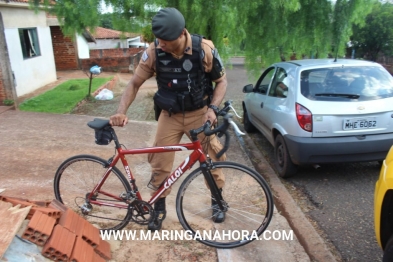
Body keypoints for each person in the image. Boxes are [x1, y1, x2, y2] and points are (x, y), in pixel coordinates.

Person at [109, 7, 228, 231]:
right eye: (158, 40)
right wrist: (121, 110)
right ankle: (159, 206)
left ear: (182, 33)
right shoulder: (154, 52)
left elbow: (221, 81)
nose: (161, 44)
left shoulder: (204, 49)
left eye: (166, 41)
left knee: (210, 158)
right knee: (160, 162)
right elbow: (134, 83)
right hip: (169, 115)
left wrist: (213, 108)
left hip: (200, 113)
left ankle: (218, 201)